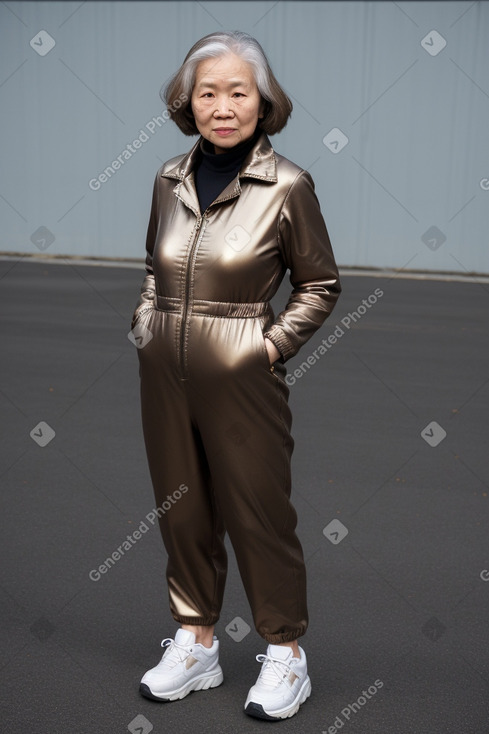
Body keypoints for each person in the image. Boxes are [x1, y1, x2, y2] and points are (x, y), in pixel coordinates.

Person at [130, 30, 341, 721]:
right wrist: (145, 325)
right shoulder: (166, 177)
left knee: (258, 513)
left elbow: (319, 284)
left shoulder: (287, 186)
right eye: (208, 92)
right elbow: (152, 268)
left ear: (262, 102)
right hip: (165, 372)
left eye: (237, 92)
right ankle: (195, 642)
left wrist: (268, 347)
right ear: (187, 103)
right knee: (181, 507)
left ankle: (285, 653)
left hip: (243, 373)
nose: (222, 105)